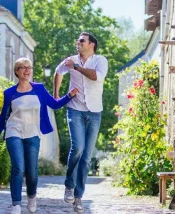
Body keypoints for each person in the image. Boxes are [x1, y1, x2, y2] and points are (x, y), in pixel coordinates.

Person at [0, 57, 78, 214]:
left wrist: (69, 96)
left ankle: (31, 196)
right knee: (18, 167)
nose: (27, 70)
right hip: (13, 132)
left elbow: (54, 104)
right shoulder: (9, 93)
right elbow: (3, 116)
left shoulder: (39, 89)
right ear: (17, 71)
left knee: (32, 171)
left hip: (33, 133)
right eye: (23, 67)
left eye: (29, 67)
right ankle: (16, 204)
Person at [53, 32, 108, 213]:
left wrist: (76, 67)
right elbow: (58, 72)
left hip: (94, 113)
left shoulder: (100, 60)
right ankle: (69, 185)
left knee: (86, 157)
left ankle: (78, 197)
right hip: (75, 109)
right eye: (77, 40)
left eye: (81, 41)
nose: (78, 43)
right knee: (77, 147)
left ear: (91, 44)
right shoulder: (70, 60)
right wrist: (56, 95)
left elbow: (96, 77)